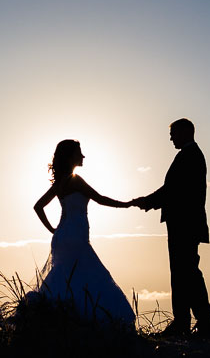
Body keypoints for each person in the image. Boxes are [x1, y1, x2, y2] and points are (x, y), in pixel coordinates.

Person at [30, 139, 136, 324]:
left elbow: (38, 206)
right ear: (71, 156)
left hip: (62, 236)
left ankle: (58, 319)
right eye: (79, 152)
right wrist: (128, 204)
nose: (83, 156)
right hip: (76, 237)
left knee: (65, 278)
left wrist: (53, 230)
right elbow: (101, 199)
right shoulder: (75, 180)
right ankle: (88, 321)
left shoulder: (60, 183)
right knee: (88, 277)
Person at [132, 118, 210, 336]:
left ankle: (197, 322)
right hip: (184, 224)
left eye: (174, 133)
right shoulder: (189, 156)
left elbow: (173, 190)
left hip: (185, 224)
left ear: (186, 132)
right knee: (184, 273)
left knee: (185, 273)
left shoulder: (190, 156)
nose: (171, 138)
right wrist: (149, 201)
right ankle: (189, 321)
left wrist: (147, 201)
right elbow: (172, 190)